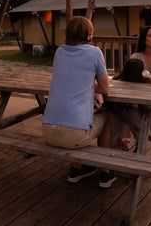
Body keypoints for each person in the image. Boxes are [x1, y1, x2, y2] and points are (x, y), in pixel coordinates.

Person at [42, 16, 116, 188]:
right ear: (89, 35)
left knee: (82, 117)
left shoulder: (60, 51)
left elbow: (69, 79)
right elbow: (105, 89)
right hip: (73, 136)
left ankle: (77, 170)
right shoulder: (95, 52)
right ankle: (105, 173)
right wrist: (91, 86)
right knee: (105, 117)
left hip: (47, 131)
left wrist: (86, 86)